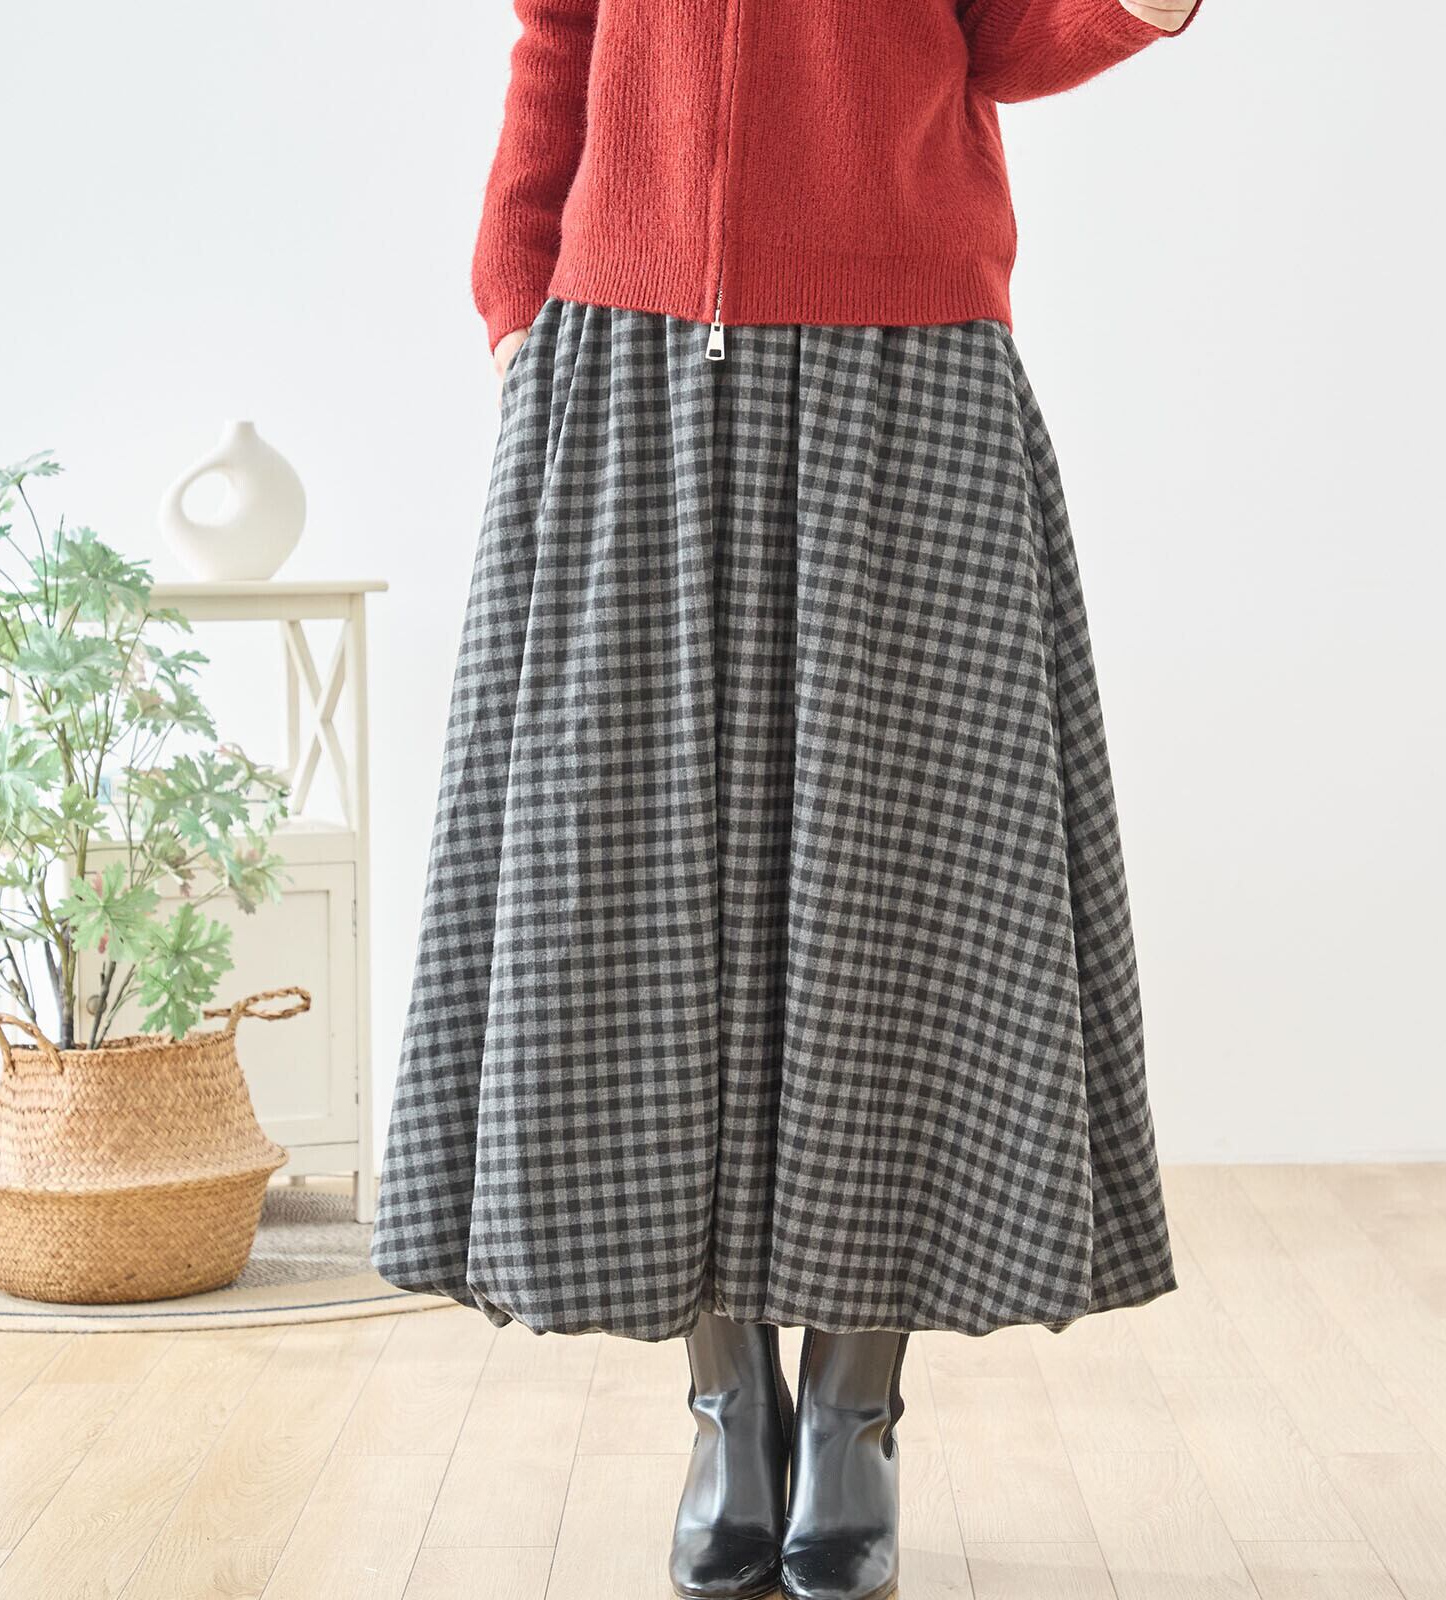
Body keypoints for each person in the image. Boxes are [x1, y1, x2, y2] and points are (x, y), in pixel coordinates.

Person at [371, 2, 1201, 1596]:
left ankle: (852, 1414)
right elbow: (557, 42)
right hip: (631, 367)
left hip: (911, 367)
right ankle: (727, 1409)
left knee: (902, 903)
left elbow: (1006, 37)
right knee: (645, 900)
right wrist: (516, 301)